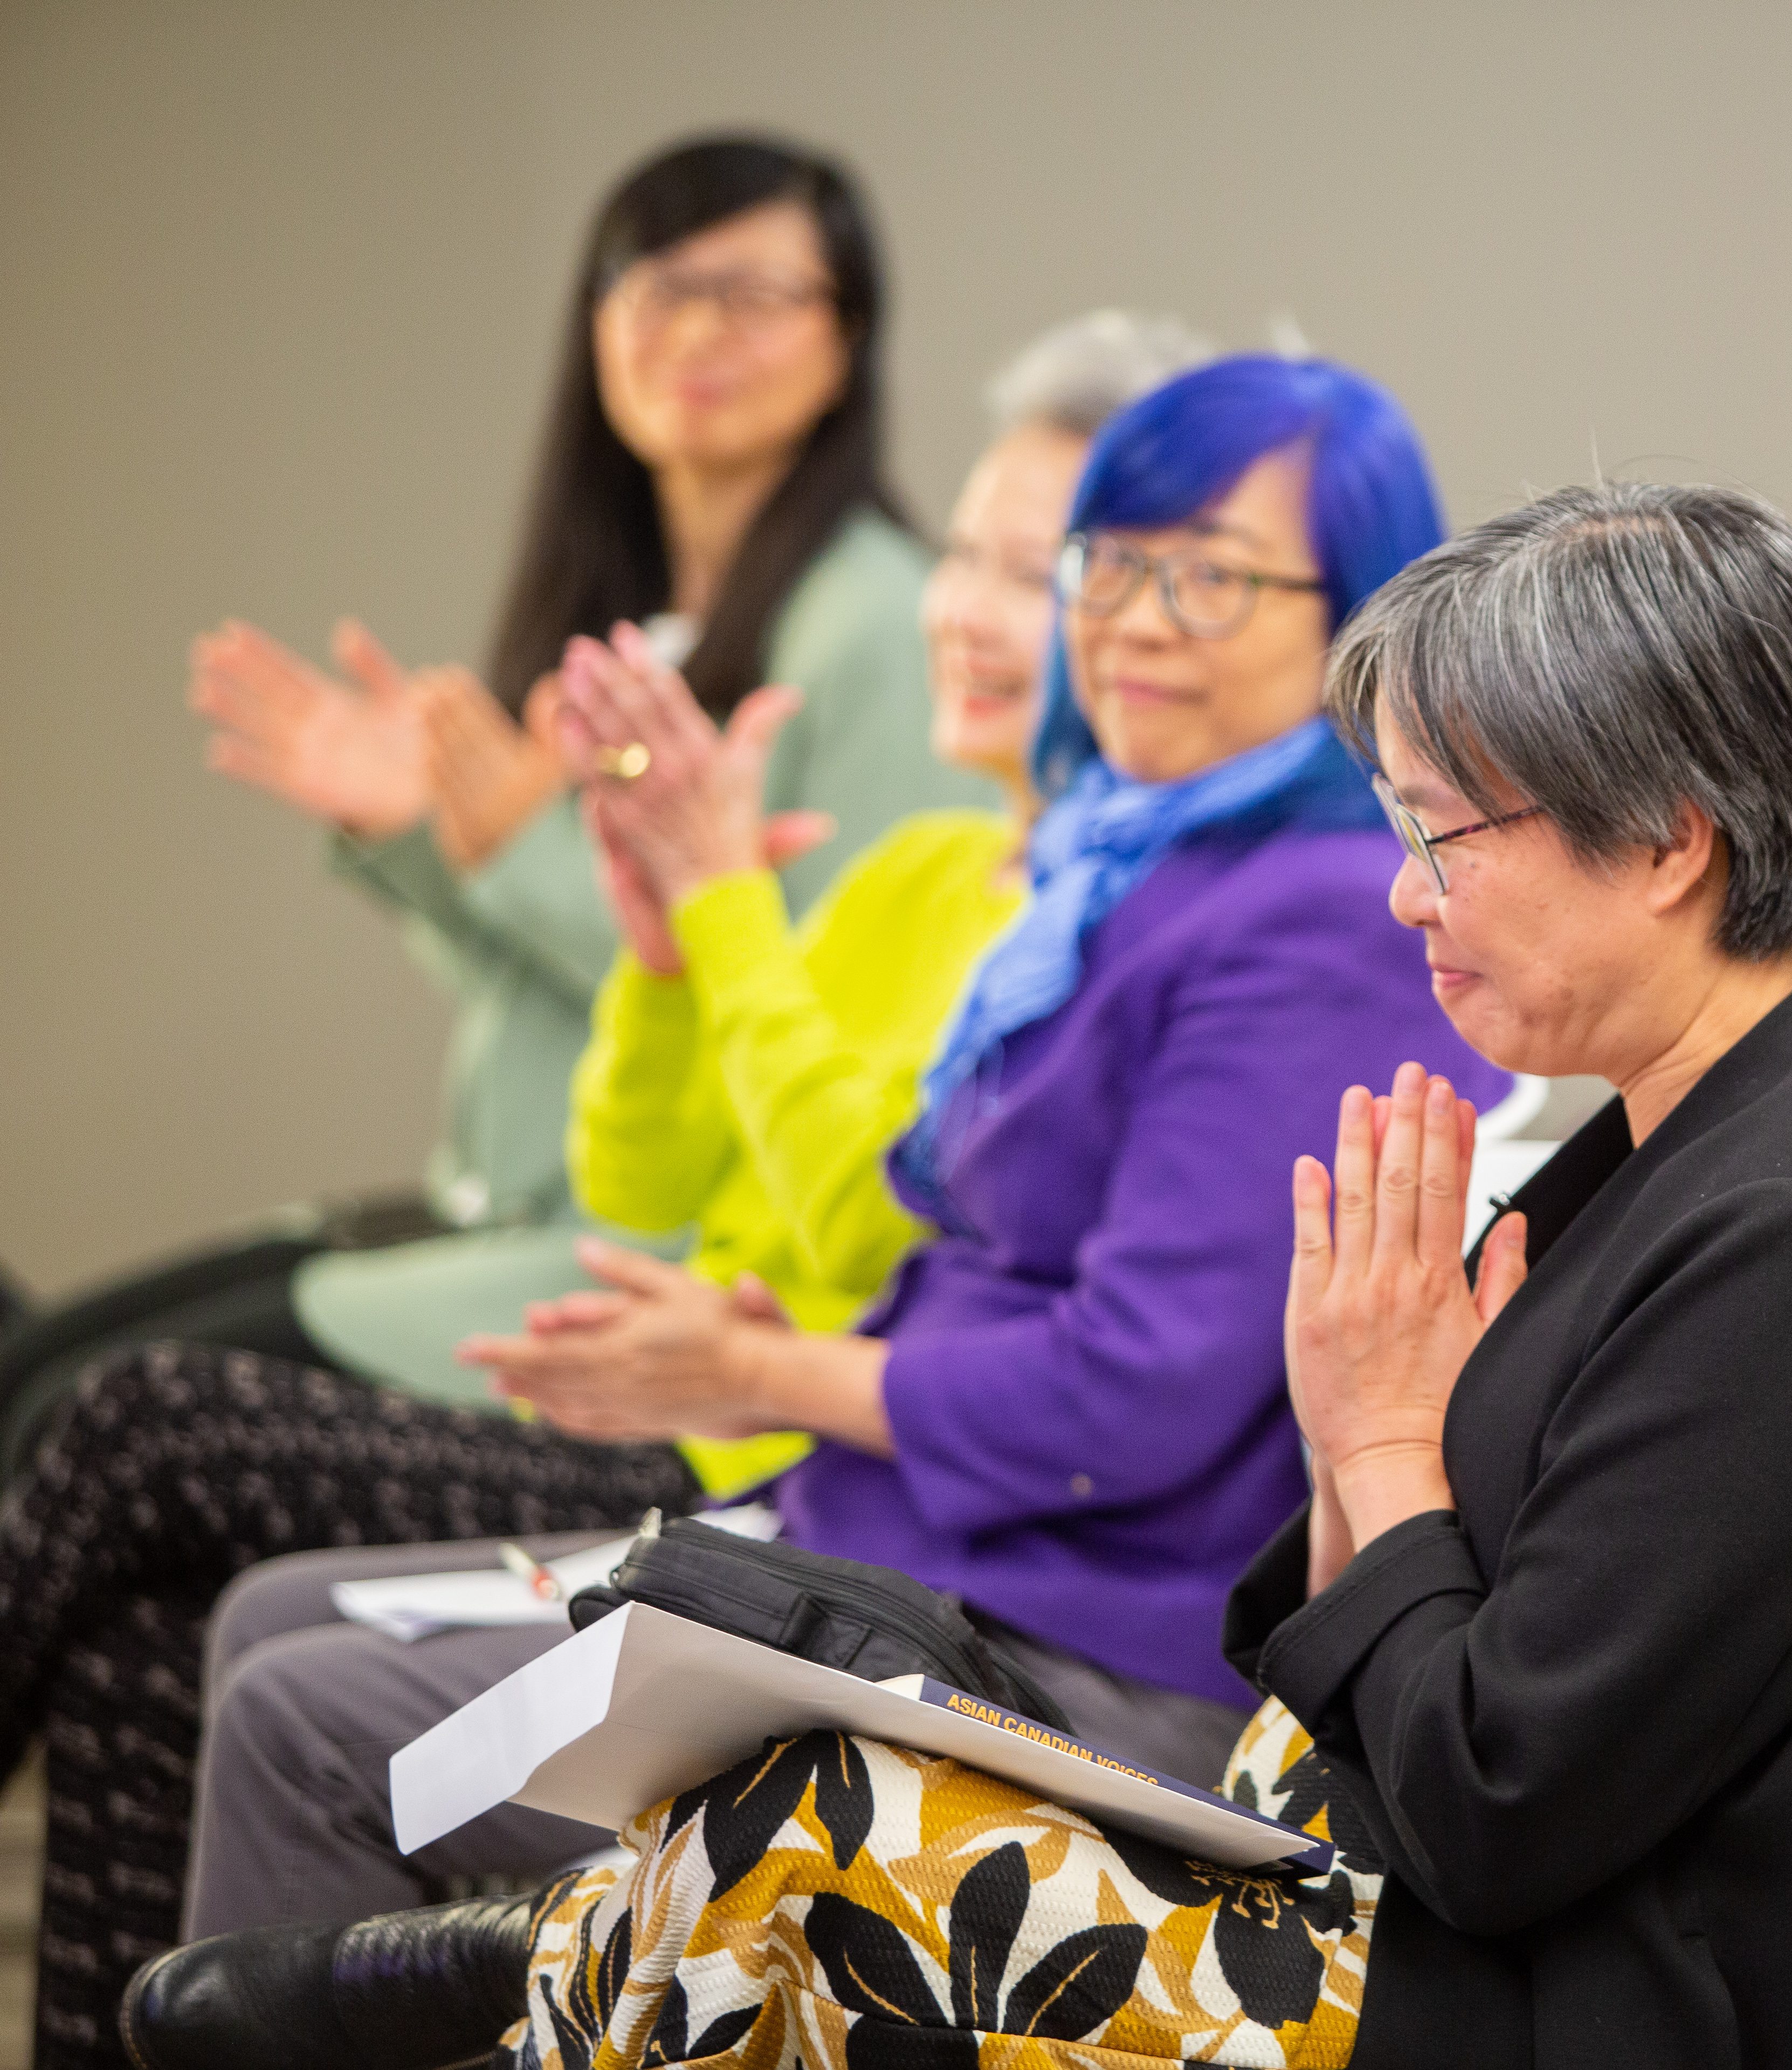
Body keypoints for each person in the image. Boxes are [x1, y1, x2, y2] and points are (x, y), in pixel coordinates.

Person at [130, 481, 1792, 2070]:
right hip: (1444, 1910)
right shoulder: (1723, 1107)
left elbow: (1496, 1809)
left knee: (796, 1852)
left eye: (1443, 839)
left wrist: (1377, 1443)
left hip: (1542, 2009)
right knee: (794, 1774)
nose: (1408, 898)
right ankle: (533, 1972)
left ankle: (523, 1977)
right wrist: (1356, 1434)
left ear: (1666, 844)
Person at [169, 354, 1500, 1961]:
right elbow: (855, 1214)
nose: (1136, 620)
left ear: (1353, 616)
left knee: (303, 1716)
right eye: (1115, 564)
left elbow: (1125, 1397)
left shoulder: (1306, 913)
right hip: (923, 1549)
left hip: (1077, 1653)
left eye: (1212, 579)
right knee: (271, 1624)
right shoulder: (1118, 872)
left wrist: (762, 1368)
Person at [35, 133, 982, 1447]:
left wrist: (512, 851)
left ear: (848, 340)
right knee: (36, 1367)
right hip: (512, 1217)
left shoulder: (874, 622)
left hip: (670, 1267)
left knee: (72, 1417)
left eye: (758, 293)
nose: (697, 329)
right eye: (654, 284)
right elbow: (549, 995)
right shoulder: (639, 611)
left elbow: (824, 1019)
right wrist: (426, 840)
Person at [562, 307, 1212, 1494]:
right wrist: (667, 962)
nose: (959, 611)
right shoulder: (918, 866)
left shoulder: (1116, 929)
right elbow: (635, 1186)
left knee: (167, 1441)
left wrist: (726, 906)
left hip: (799, 1476)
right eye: (959, 556)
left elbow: (872, 1231)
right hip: (674, 1431)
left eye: (1028, 575)